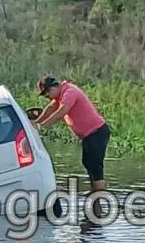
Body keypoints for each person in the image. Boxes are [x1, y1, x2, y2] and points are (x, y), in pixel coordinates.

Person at [34, 76, 111, 217]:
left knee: (96, 167)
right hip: (88, 136)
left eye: (47, 93)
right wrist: (36, 123)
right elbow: (51, 108)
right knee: (88, 163)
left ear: (54, 88)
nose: (47, 97)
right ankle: (95, 197)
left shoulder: (70, 92)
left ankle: (98, 202)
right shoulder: (60, 95)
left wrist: (42, 126)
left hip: (97, 133)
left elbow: (60, 113)